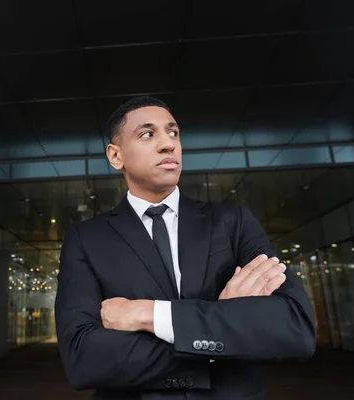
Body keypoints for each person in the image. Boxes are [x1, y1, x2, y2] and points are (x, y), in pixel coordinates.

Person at [54, 96, 316, 399]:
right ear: (116, 156)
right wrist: (222, 325)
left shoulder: (234, 223)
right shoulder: (86, 238)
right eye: (147, 134)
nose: (168, 144)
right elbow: (83, 359)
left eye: (173, 133)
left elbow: (294, 328)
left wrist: (150, 315)